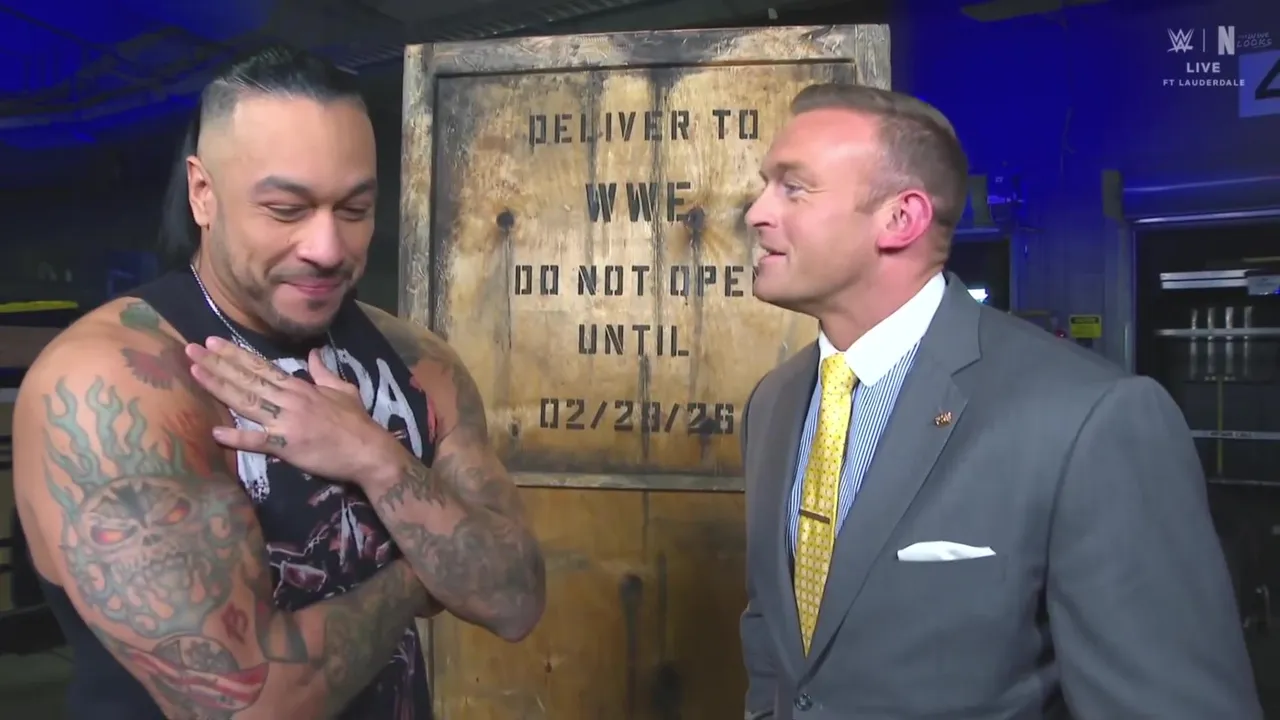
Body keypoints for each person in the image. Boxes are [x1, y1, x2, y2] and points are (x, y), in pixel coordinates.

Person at [12, 47, 546, 720]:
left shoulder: (418, 361)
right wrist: (429, 571)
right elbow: (250, 705)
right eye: (287, 210)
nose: (327, 248)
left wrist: (374, 457)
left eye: (354, 209)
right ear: (203, 193)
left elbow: (515, 599)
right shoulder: (111, 386)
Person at [737, 83, 1259, 719]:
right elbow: (775, 640)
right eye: (765, 186)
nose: (757, 212)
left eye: (793, 187)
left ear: (901, 219)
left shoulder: (1089, 418)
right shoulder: (774, 404)